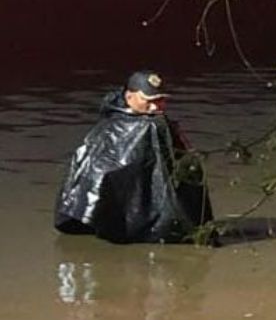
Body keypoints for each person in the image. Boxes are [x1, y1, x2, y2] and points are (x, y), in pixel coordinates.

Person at [55, 70, 213, 244]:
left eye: (160, 100)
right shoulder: (114, 124)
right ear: (129, 97)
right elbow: (97, 169)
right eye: (149, 101)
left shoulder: (157, 124)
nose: (156, 107)